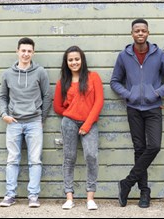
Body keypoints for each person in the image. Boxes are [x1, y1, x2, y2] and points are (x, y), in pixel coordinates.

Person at [110, 18, 164, 208]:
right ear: (132, 33)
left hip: (153, 108)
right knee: (139, 150)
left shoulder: (158, 55)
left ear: (148, 33)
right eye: (137, 31)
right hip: (133, 109)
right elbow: (115, 81)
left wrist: (157, 93)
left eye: (143, 30)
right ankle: (144, 192)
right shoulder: (124, 56)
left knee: (154, 146)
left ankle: (127, 183)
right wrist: (128, 94)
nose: (140, 33)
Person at [0, 37, 52, 208]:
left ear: (33, 53)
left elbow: (47, 96)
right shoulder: (7, 74)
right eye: (23, 50)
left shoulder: (40, 72)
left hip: (34, 121)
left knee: (35, 160)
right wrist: (4, 114)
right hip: (13, 122)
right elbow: (3, 97)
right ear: (17, 51)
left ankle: (33, 196)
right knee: (12, 159)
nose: (26, 54)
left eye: (29, 51)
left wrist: (41, 119)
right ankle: (10, 195)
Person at [53, 46, 104, 210]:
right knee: (69, 157)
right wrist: (70, 115)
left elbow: (99, 102)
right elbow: (57, 107)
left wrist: (87, 123)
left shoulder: (93, 77)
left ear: (82, 60)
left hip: (90, 123)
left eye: (77, 59)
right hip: (69, 123)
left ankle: (90, 197)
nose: (74, 62)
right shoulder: (63, 82)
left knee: (91, 156)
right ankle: (69, 197)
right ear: (66, 62)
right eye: (70, 60)